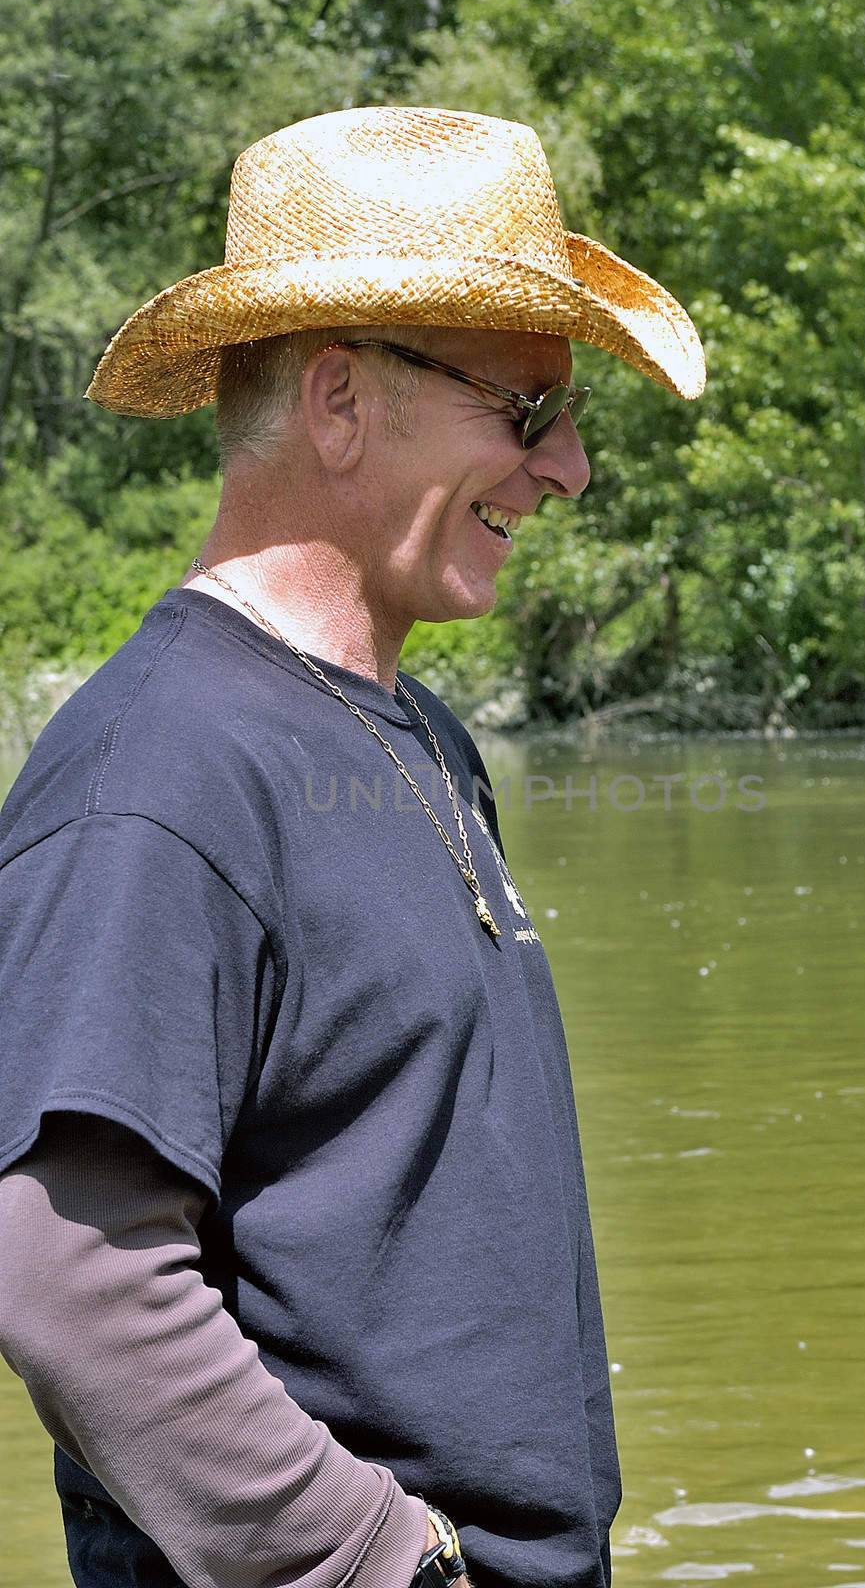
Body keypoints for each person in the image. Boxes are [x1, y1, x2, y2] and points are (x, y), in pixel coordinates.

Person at [0, 106, 704, 1588]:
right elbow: (70, 1274)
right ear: (337, 402)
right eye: (528, 411)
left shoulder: (423, 735)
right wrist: (377, 1559)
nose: (567, 469)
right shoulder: (159, 773)